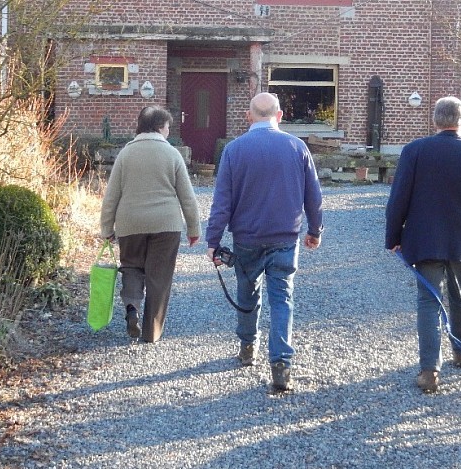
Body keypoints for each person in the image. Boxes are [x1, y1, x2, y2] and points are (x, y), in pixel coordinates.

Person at [206, 92, 324, 393]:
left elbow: (223, 200)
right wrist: (315, 230)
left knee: (247, 293)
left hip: (246, 238)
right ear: (280, 116)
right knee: (282, 297)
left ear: (249, 116)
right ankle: (281, 363)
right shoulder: (297, 147)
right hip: (285, 237)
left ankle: (248, 347)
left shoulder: (234, 150)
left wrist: (214, 239)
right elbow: (314, 195)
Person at [385, 96, 461, 394]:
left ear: (436, 121)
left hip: (424, 240)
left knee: (428, 301)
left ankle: (429, 370)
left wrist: (394, 237)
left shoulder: (414, 151)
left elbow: (399, 198)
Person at [100, 105, 201, 343]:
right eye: (167, 127)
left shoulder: (125, 154)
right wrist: (194, 229)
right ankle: (151, 332)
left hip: (130, 223)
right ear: (159, 127)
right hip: (166, 225)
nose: (168, 131)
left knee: (132, 267)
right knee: (160, 277)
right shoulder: (173, 154)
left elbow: (111, 196)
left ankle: (132, 307)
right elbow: (187, 197)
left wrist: (106, 228)